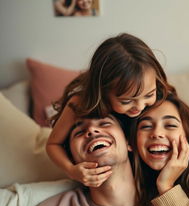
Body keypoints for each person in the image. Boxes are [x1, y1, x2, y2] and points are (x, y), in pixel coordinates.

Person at [5, 114, 188, 206]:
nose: (91, 131)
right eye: (79, 131)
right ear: (72, 158)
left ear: (129, 142)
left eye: (104, 123)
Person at [46, 33, 175, 187]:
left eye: (149, 95)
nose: (140, 107)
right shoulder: (80, 103)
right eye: (126, 101)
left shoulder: (162, 97)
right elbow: (53, 144)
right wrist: (72, 170)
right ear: (102, 91)